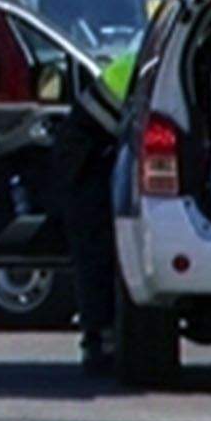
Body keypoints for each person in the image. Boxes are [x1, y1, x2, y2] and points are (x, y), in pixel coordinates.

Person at [52, 44, 137, 374]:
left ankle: (101, 339)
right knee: (96, 251)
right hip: (87, 155)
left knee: (98, 253)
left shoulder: (144, 56)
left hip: (91, 145)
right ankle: (99, 341)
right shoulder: (146, 66)